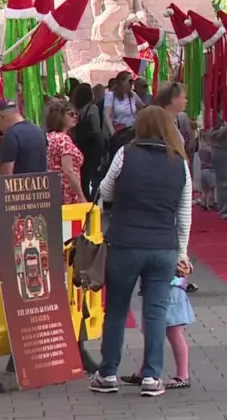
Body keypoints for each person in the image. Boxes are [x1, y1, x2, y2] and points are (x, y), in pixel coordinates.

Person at [89, 106, 193, 397]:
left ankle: (108, 373)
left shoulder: (125, 154)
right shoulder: (180, 162)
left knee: (117, 309)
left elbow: (105, 191)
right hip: (163, 247)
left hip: (124, 242)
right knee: (156, 312)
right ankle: (151, 376)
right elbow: (184, 214)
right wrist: (182, 254)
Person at [120, 261, 196, 389]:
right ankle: (146, 370)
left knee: (173, 332)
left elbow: (183, 258)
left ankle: (183, 375)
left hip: (171, 287)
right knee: (153, 331)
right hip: (161, 286)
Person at [45, 99, 87, 204]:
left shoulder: (48, 137)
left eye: (76, 114)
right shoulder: (64, 139)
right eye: (71, 114)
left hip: (53, 190)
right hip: (67, 192)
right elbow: (68, 170)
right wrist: (81, 196)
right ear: (60, 117)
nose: (75, 117)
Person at [0, 99, 48, 175]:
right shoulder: (39, 131)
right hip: (41, 185)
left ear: (2, 118)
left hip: (19, 186)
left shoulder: (9, 137)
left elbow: (5, 177)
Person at [72, 83, 106, 195]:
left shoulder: (75, 110)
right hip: (92, 147)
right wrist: (102, 148)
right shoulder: (92, 108)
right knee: (94, 176)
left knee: (83, 176)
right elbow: (96, 130)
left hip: (80, 146)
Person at [104, 71, 145, 136]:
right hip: (119, 132)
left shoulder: (133, 95)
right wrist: (112, 132)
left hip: (132, 131)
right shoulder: (111, 96)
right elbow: (106, 114)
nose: (132, 84)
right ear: (122, 82)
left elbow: (144, 107)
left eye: (133, 81)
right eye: (130, 81)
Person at [210, 117, 227, 218]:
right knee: (223, 181)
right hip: (220, 149)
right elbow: (212, 135)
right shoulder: (212, 115)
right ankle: (224, 210)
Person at [196, 131, 216, 210]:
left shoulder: (200, 149)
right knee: (211, 189)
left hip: (202, 170)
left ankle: (203, 204)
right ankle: (211, 203)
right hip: (210, 170)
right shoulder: (209, 148)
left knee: (204, 190)